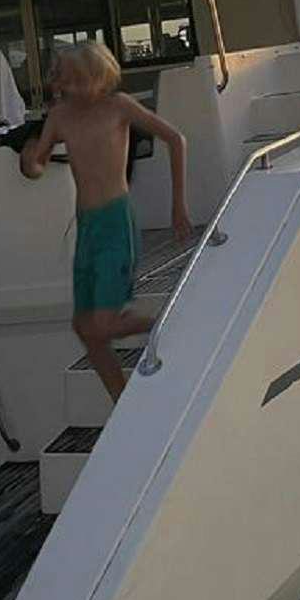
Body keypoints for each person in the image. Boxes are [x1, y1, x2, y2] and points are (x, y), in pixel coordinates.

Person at [19, 43, 192, 403]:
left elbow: (176, 139)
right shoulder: (60, 117)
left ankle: (169, 319)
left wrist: (178, 206)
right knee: (85, 329)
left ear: (93, 79)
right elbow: (39, 165)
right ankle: (123, 404)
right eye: (64, 82)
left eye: (72, 81)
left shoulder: (119, 107)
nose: (66, 88)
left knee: (105, 324)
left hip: (115, 221)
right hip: (87, 227)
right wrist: (30, 160)